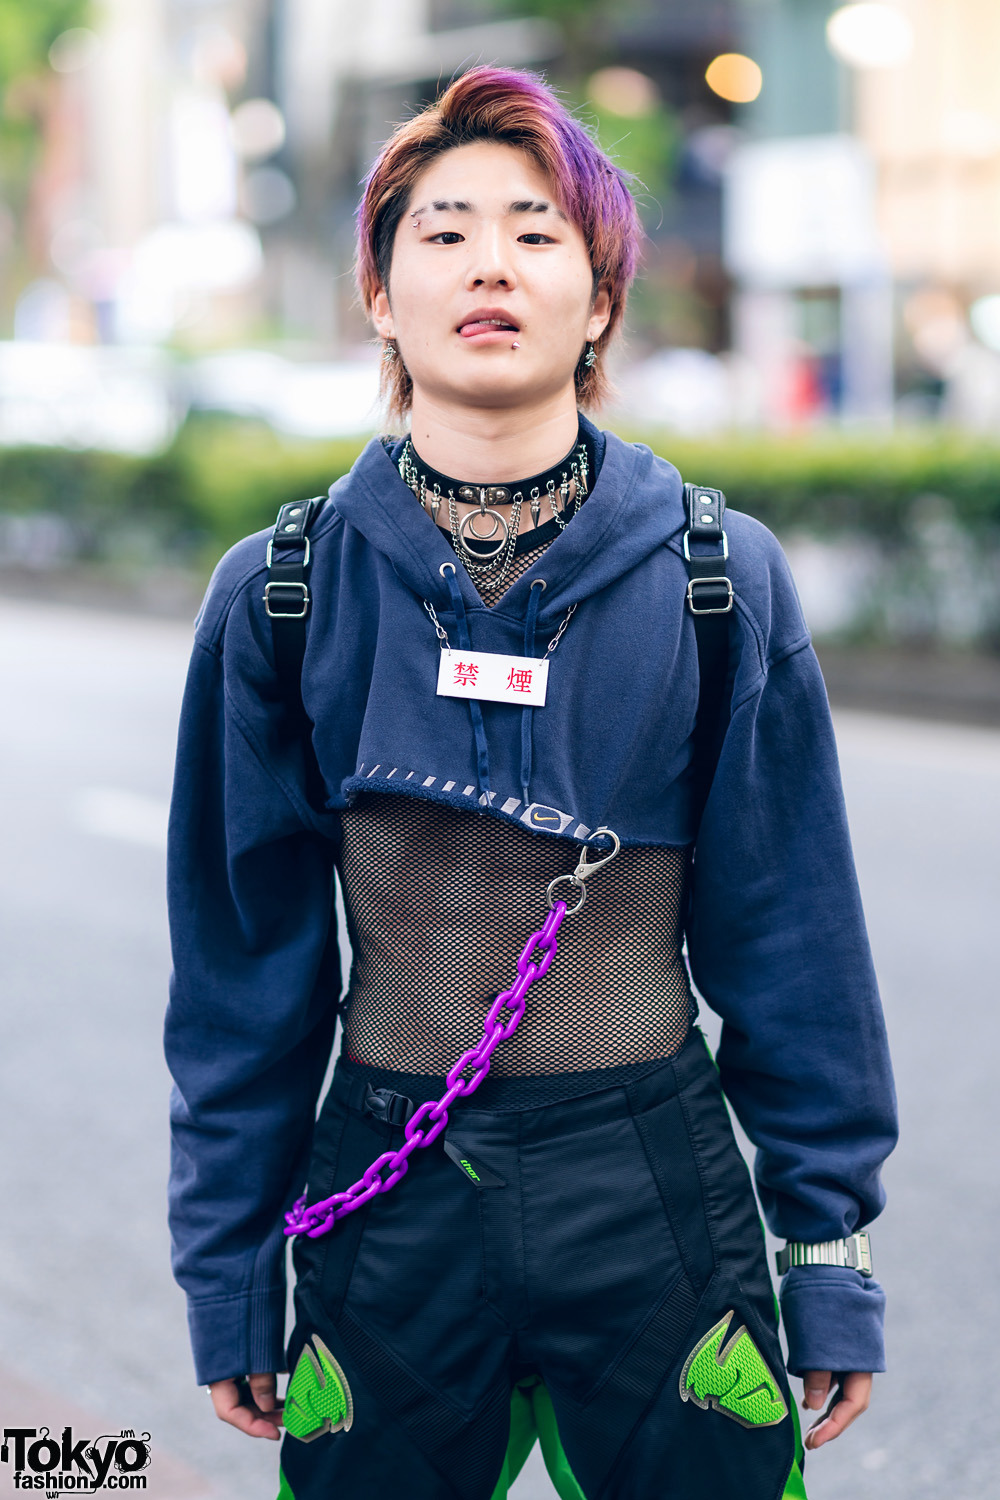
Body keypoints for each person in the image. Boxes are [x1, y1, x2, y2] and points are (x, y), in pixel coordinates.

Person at [165, 66, 897, 1500]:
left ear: (602, 297)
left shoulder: (718, 581)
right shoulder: (284, 597)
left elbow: (795, 944)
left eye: (536, 230)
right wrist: (231, 1279)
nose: (489, 262)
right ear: (380, 296)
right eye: (441, 233)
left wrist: (831, 1262)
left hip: (658, 1192)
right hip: (388, 1195)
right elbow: (239, 984)